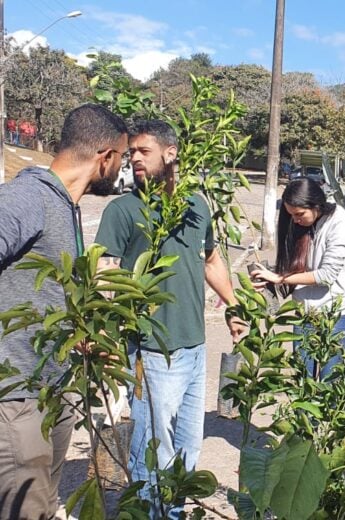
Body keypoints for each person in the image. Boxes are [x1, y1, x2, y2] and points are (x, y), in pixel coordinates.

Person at [94, 120, 244, 518]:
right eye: (131, 154)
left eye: (143, 151)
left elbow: (210, 260)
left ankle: (173, 513)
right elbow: (104, 276)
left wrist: (233, 304)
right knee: (153, 450)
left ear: (171, 153)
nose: (135, 160)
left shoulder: (195, 206)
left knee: (187, 450)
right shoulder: (122, 210)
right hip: (152, 351)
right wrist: (105, 339)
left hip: (194, 347)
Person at [0, 103, 128, 520]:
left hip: (50, 392)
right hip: (19, 395)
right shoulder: (28, 196)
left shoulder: (63, 205)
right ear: (105, 157)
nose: (122, 168)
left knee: (44, 506)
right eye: (122, 158)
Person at [250, 177, 345, 379]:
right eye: (291, 215)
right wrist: (270, 278)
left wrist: (281, 278)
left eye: (299, 214)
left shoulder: (341, 224)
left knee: (329, 385)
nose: (295, 220)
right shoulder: (302, 225)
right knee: (302, 383)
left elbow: (326, 275)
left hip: (334, 317)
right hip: (304, 316)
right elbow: (300, 267)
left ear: (316, 205)